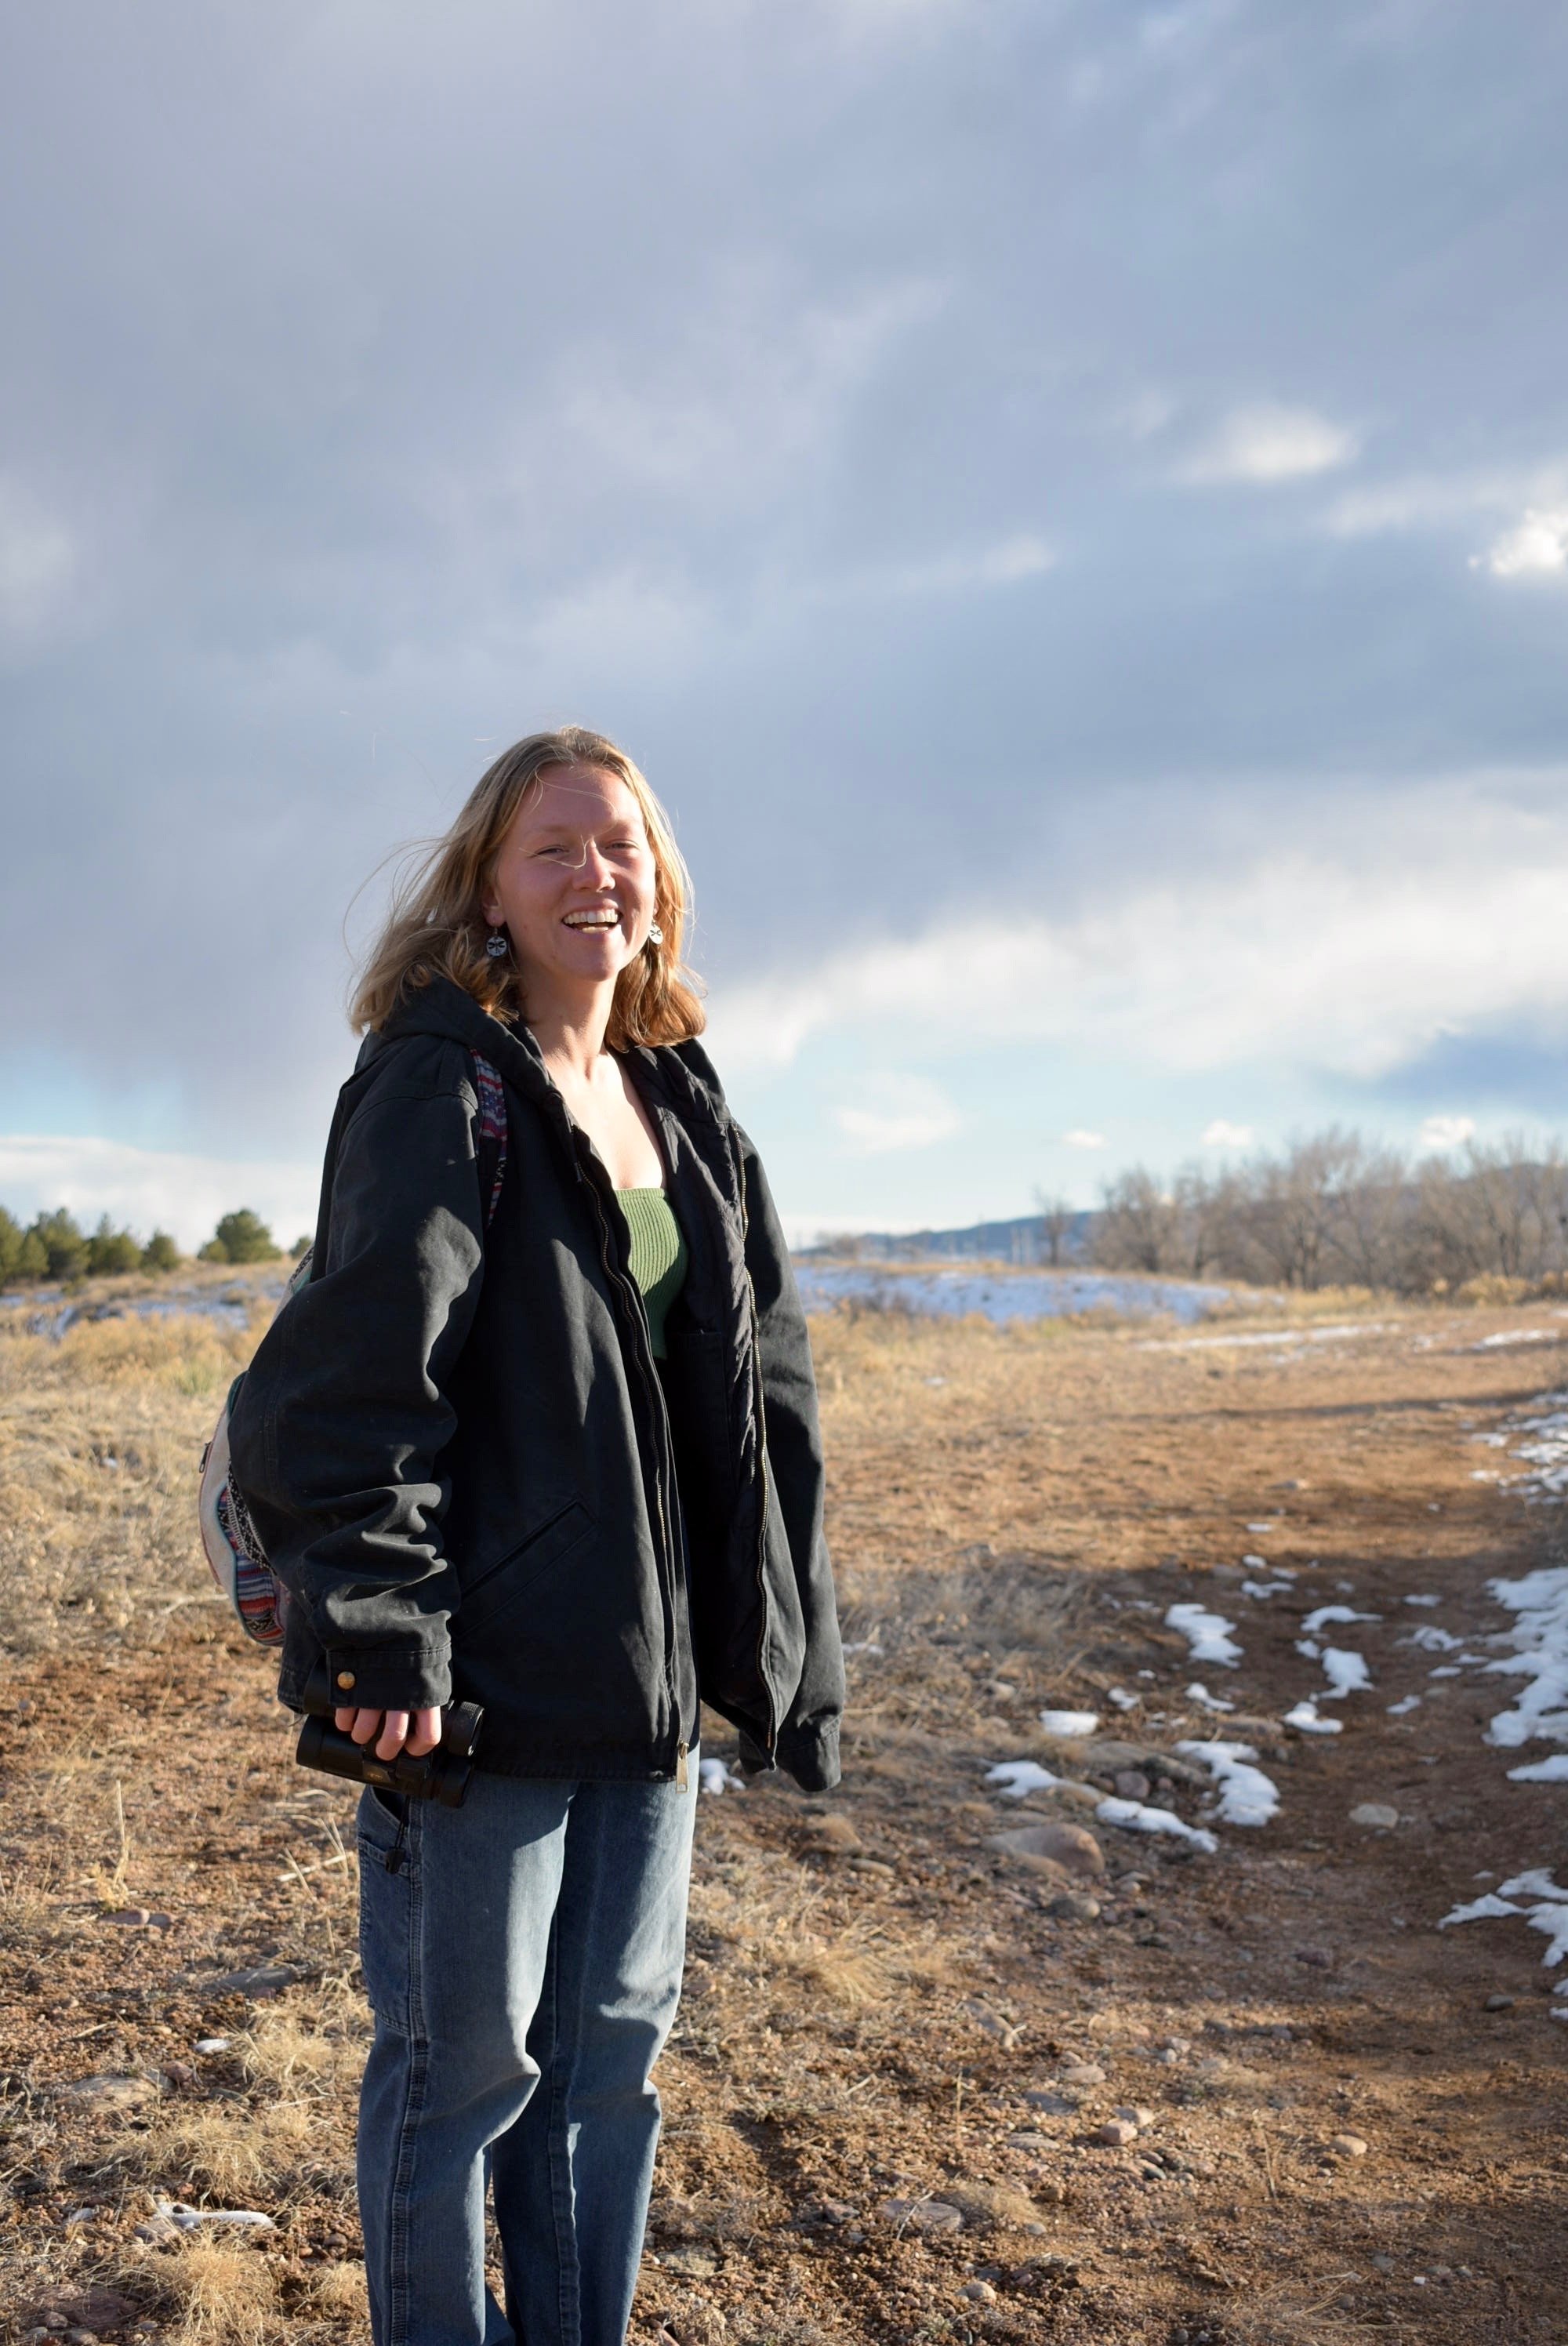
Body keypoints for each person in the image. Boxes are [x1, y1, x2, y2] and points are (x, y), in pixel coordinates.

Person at [229, 725, 844, 2346]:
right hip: (475, 1690)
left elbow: (763, 1384)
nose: (596, 875)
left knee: (602, 2075)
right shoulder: (442, 1083)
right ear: (487, 889)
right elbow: (355, 1381)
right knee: (463, 2081)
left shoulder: (678, 1099)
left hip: (638, 1691)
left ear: (660, 881)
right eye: (554, 848)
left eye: (620, 844)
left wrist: (789, 1646)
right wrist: (377, 1632)